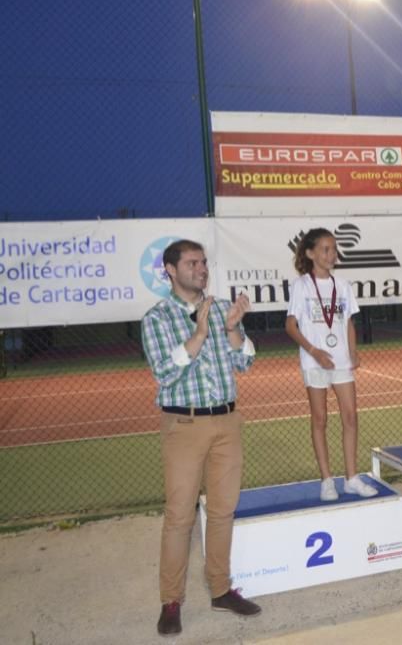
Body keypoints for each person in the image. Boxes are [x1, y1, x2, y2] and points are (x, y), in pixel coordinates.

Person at [140, 239, 261, 637]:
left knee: (224, 511)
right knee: (179, 516)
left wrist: (230, 331)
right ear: (170, 271)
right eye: (192, 263)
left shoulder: (222, 307)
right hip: (184, 426)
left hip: (227, 422)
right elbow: (164, 372)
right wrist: (199, 333)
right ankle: (171, 601)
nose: (201, 268)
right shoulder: (157, 319)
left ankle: (221, 589)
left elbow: (245, 361)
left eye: (204, 262)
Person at [286, 228, 379, 501]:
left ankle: (351, 478)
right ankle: (327, 480)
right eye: (325, 249)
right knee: (320, 419)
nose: (331, 254)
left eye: (334, 249)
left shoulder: (344, 286)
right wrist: (314, 352)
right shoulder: (301, 285)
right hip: (314, 361)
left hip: (340, 361)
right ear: (310, 253)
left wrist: (353, 352)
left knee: (350, 416)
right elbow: (290, 326)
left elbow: (348, 322)